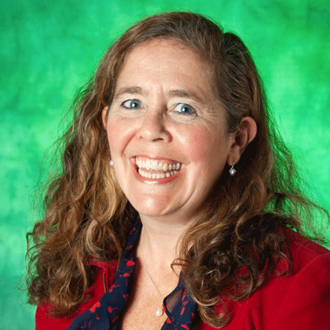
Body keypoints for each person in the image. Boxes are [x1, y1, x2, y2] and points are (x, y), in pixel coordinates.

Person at [27, 12, 330, 330]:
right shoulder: (71, 285)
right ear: (106, 128)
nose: (151, 129)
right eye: (132, 103)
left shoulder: (302, 286)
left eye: (184, 108)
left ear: (236, 140)